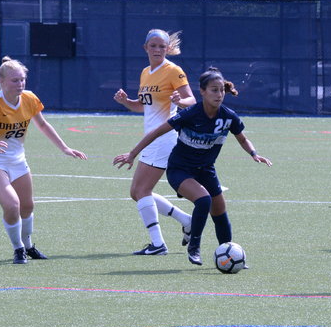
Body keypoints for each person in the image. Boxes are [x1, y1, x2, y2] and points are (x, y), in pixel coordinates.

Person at [113, 67, 272, 266]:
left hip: (206, 170)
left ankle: (229, 253)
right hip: (180, 169)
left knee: (220, 211)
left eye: (221, 90)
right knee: (203, 200)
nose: (219, 94)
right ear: (202, 92)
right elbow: (156, 132)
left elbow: (242, 138)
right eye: (214, 90)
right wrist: (132, 154)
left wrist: (254, 154)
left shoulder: (228, 116)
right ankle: (194, 248)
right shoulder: (190, 114)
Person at [0, 57, 87, 264]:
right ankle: (18, 248)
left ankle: (28, 246)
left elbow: (43, 125)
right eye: (14, 80)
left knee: (27, 206)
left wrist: (64, 148)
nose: (20, 84)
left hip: (17, 160)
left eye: (22, 80)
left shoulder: (29, 99)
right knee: (12, 205)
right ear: (2, 82)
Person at [114, 29, 196, 256]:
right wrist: (126, 101)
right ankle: (186, 221)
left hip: (164, 138)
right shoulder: (145, 72)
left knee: (141, 190)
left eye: (162, 46)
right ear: (145, 48)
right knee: (137, 192)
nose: (158, 50)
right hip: (151, 138)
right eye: (153, 46)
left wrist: (181, 101)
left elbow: (191, 100)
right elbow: (142, 105)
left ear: (168, 49)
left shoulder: (173, 71)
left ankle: (158, 244)